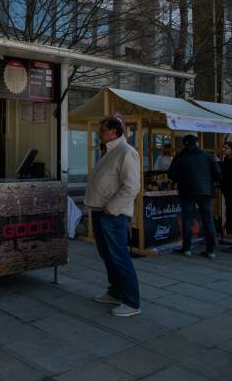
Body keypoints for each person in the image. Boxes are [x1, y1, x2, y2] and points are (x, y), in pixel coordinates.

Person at [85, 117, 141, 317]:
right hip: (101, 211)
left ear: (113, 132)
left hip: (113, 214)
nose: (99, 132)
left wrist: (112, 208)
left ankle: (132, 302)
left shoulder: (126, 152)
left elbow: (132, 187)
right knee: (107, 255)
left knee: (119, 256)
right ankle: (116, 292)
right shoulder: (110, 150)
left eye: (102, 130)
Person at [167, 134, 221, 259]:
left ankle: (186, 248)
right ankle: (211, 251)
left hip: (187, 192)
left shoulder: (180, 157)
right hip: (205, 191)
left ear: (184, 144)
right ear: (197, 143)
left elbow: (171, 175)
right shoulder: (207, 156)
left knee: (187, 220)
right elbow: (218, 173)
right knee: (208, 220)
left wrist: (181, 179)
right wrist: (209, 181)